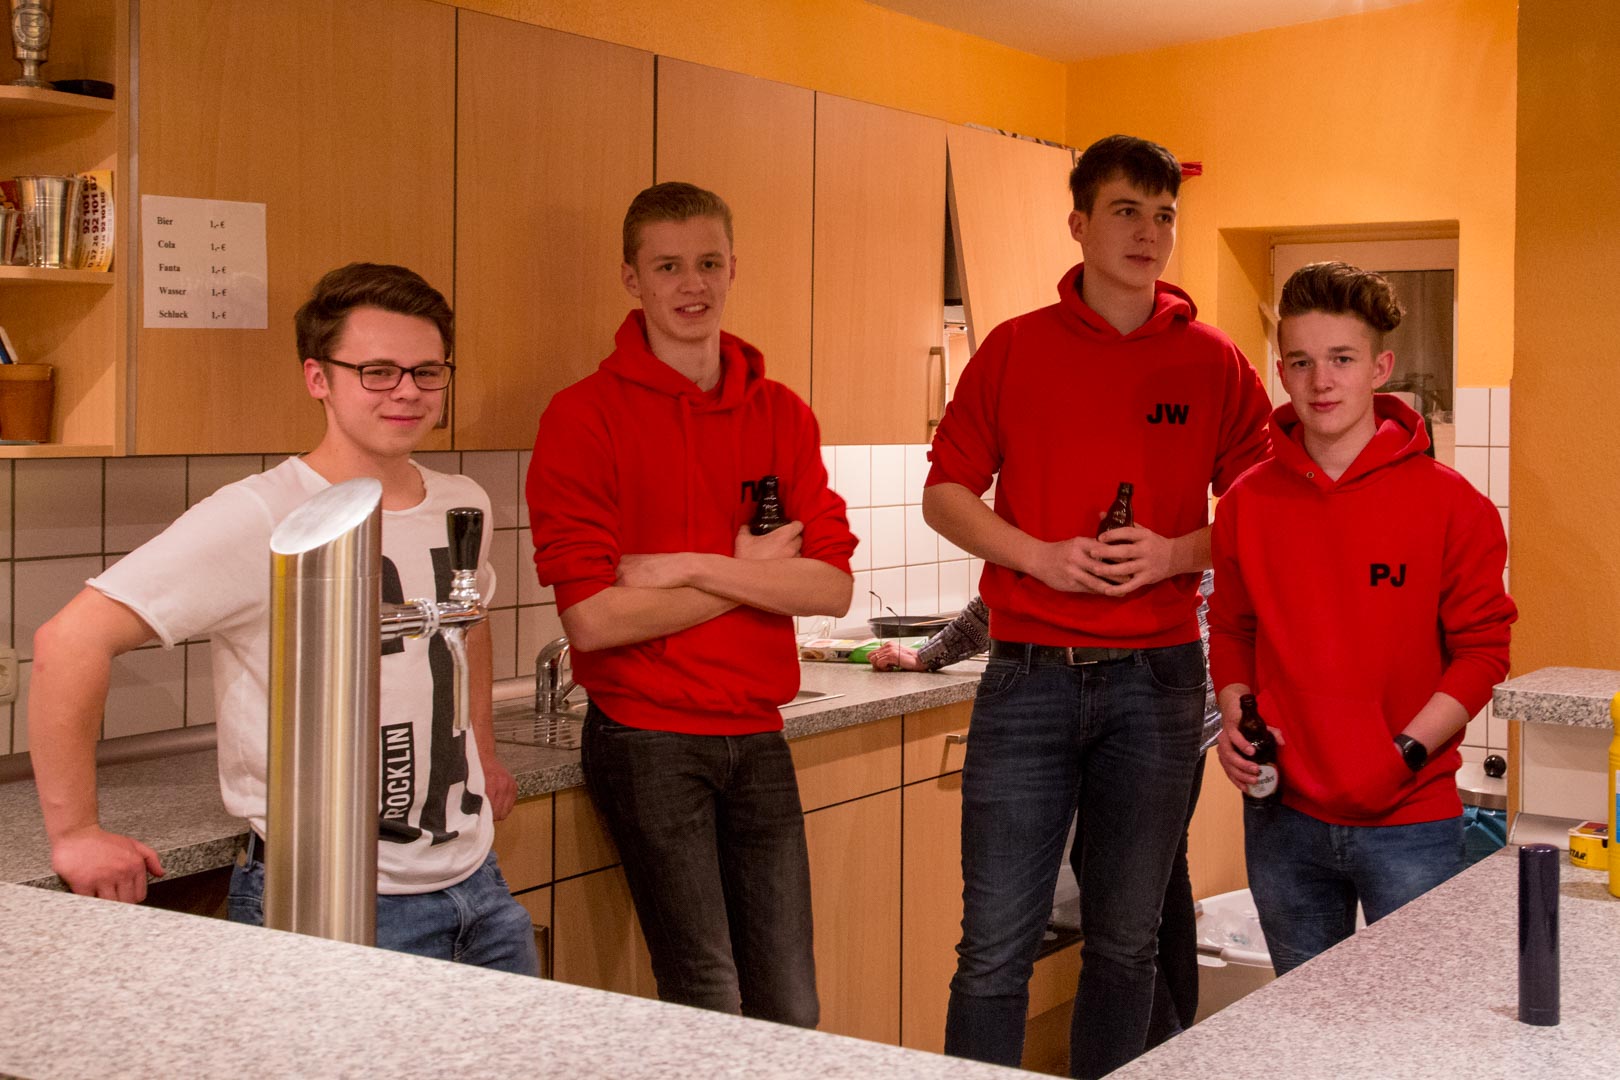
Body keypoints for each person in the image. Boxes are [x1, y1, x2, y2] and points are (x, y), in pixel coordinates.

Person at [30, 263, 538, 976]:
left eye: (427, 372)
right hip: (324, 898)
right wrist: (77, 831)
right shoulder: (263, 514)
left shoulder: (462, 501)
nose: (407, 391)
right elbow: (69, 640)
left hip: (478, 887)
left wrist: (481, 750)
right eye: (377, 371)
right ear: (318, 378)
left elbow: (466, 623)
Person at [922, 134, 1272, 1078]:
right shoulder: (1014, 348)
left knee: (1125, 944)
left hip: (1158, 685)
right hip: (1028, 678)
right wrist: (1038, 555)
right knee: (994, 948)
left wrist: (1175, 553)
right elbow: (944, 494)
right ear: (1079, 224)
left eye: (1164, 216)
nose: (1148, 232)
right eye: (1126, 211)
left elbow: (1266, 512)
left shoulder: (1213, 361)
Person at [526, 182, 856, 1026]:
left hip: (758, 734)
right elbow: (593, 619)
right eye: (668, 266)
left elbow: (829, 586)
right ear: (632, 278)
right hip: (648, 741)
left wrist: (689, 568)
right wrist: (747, 575)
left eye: (708, 262)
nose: (692, 284)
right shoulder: (582, 418)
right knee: (706, 998)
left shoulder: (781, 414)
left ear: (734, 267)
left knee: (791, 1003)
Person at [1209, 261, 1515, 975]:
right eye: (1302, 362)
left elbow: (1483, 654)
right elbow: (1232, 629)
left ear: (1381, 367)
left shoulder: (1451, 504)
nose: (1321, 381)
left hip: (1409, 820)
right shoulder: (1248, 502)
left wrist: (1402, 753)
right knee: (1304, 1022)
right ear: (1282, 371)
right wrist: (1237, 718)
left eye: (1342, 359)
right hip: (1282, 818)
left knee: (1412, 1021)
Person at [872, 572, 1221, 1045]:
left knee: (1137, 914)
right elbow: (1025, 572)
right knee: (1134, 908)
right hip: (1143, 686)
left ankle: (1169, 1044)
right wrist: (932, 653)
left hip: (1166, 689)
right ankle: (1172, 1044)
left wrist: (933, 653)